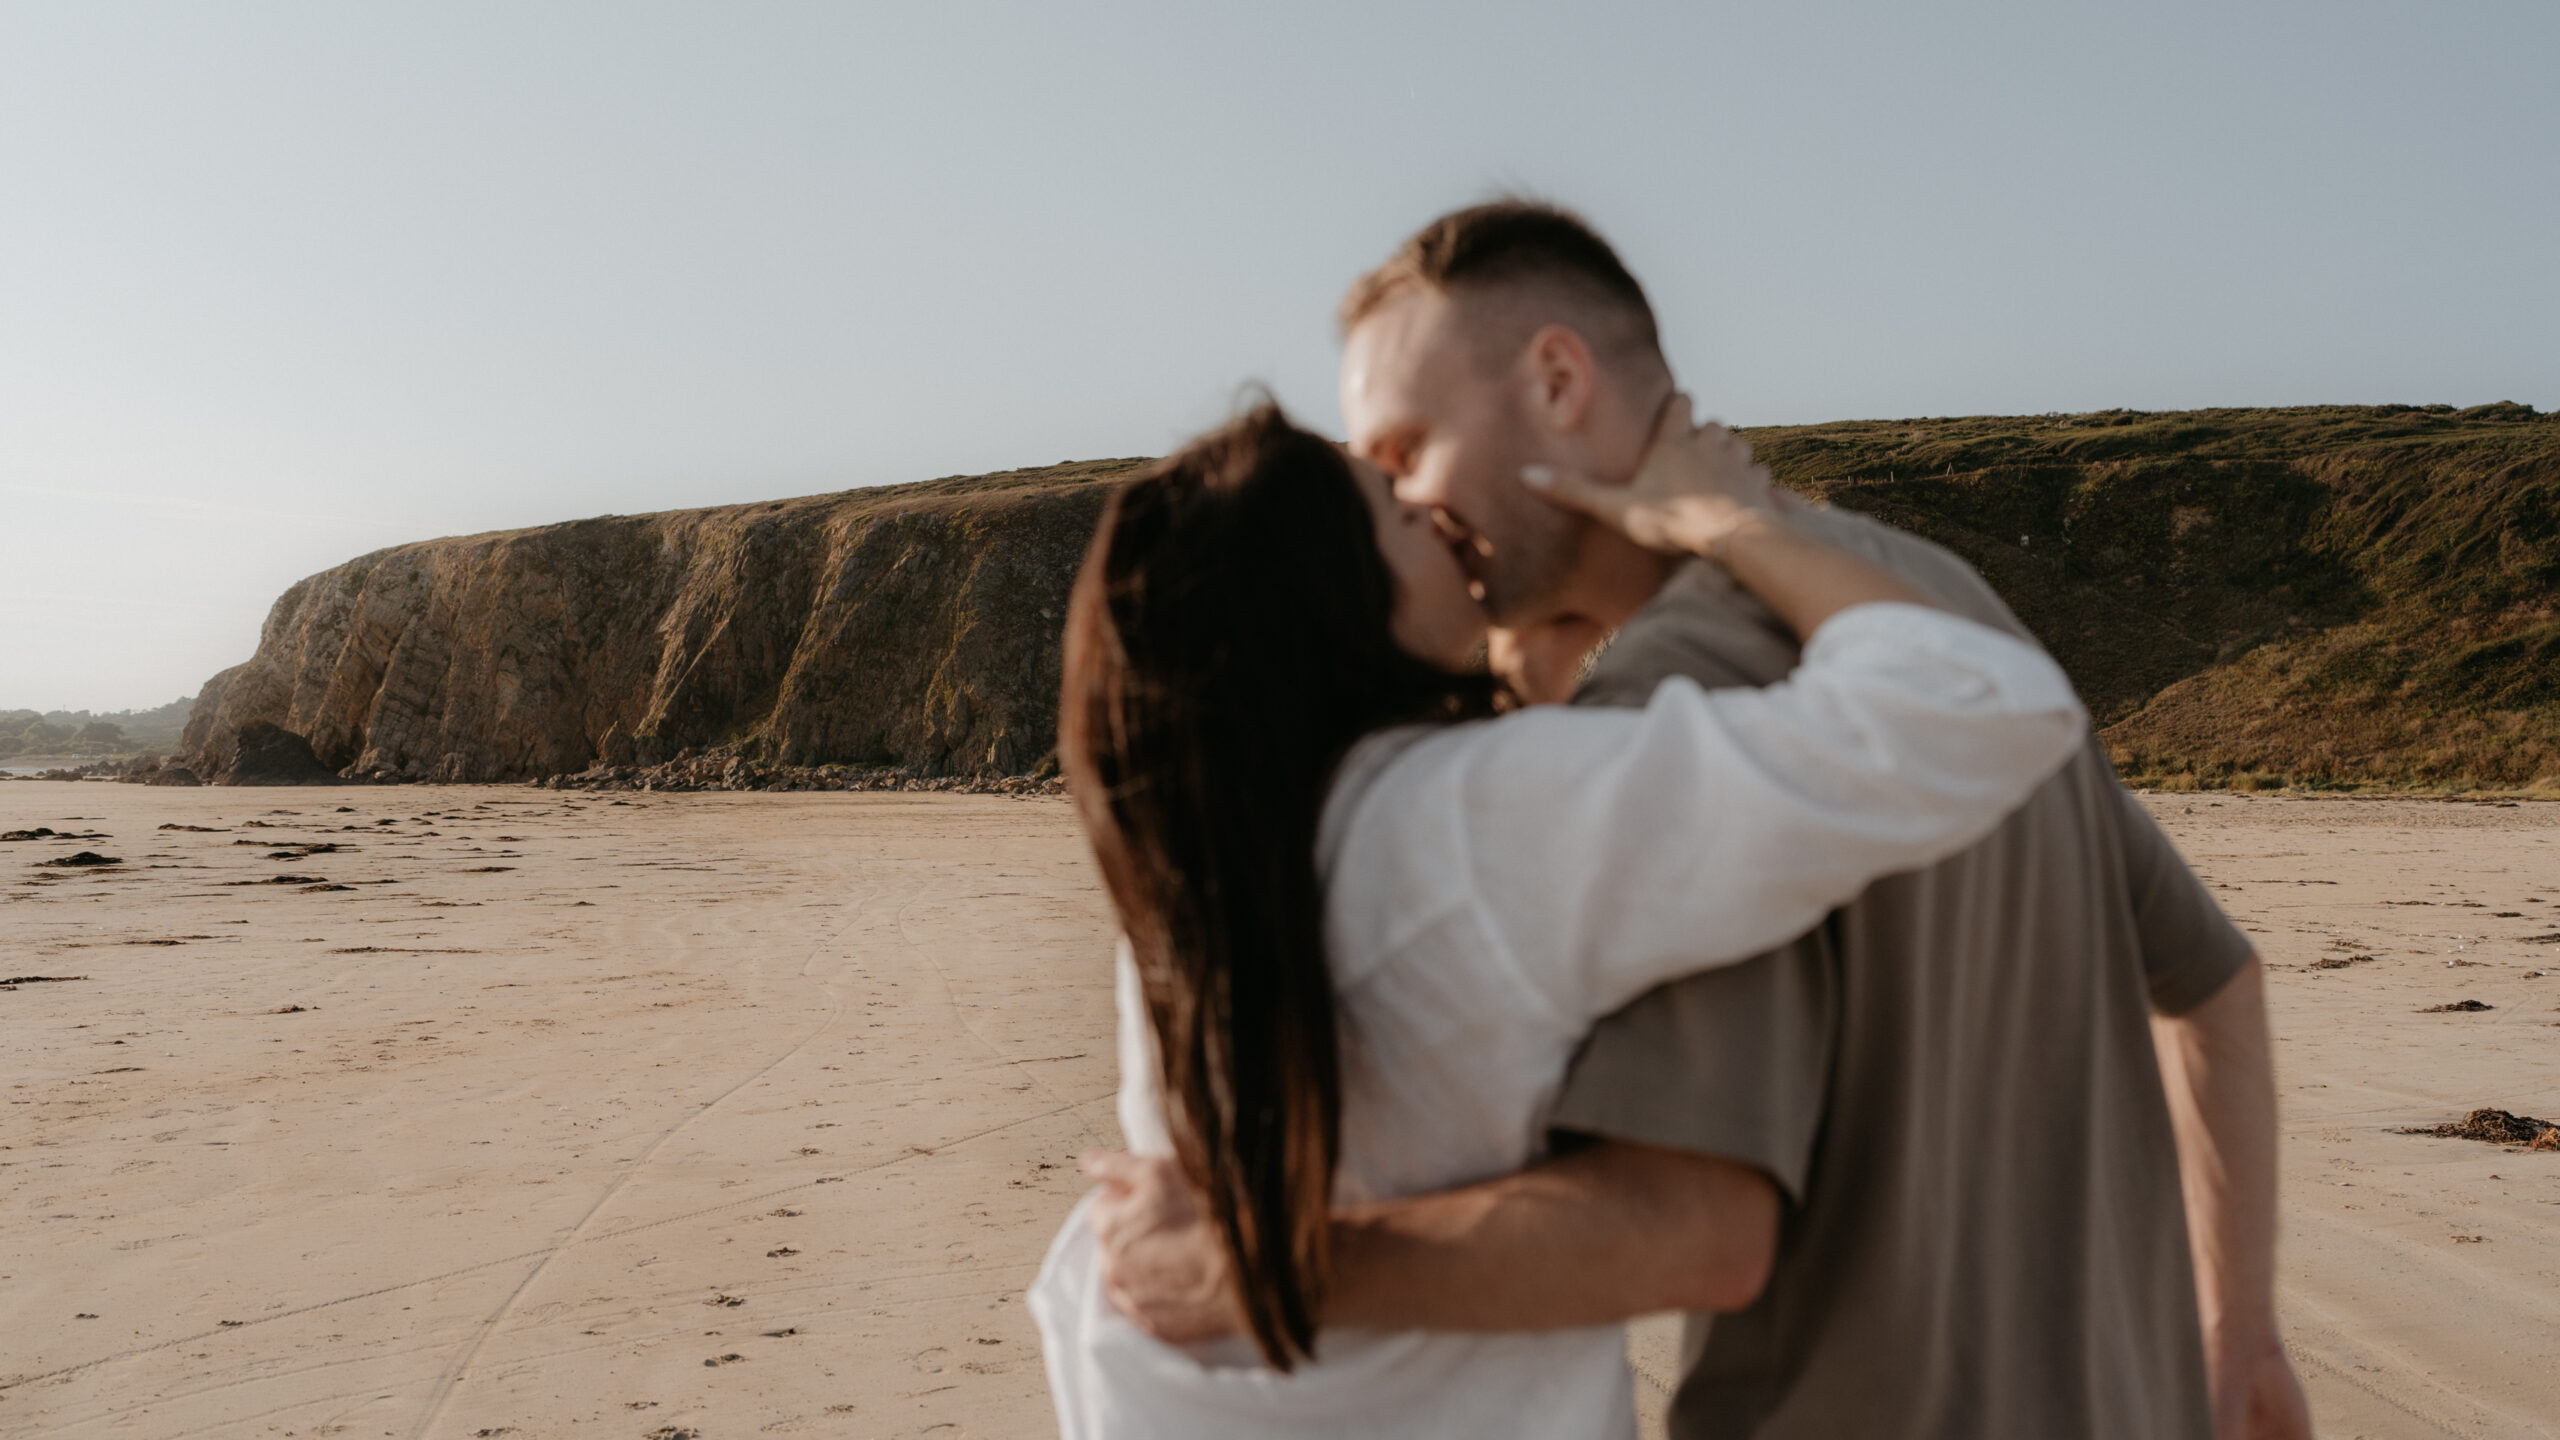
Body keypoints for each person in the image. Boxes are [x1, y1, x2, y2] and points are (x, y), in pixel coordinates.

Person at [1085, 202, 2317, 1440]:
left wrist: (1269, 1267)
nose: (1405, 501)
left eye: (1404, 448)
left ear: (1558, 379)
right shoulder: (1936, 605)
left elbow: (1686, 1225)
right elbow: (2213, 980)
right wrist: (2239, 1332)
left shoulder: (1676, 710)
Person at [1029, 399, 2087, 1438]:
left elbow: (1435, 1034)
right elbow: (1983, 704)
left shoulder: (1208, 876)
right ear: (1333, 603)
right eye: (1396, 512)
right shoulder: (1478, 816)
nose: (1431, 508)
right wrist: (1723, 520)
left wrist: (1522, 687)